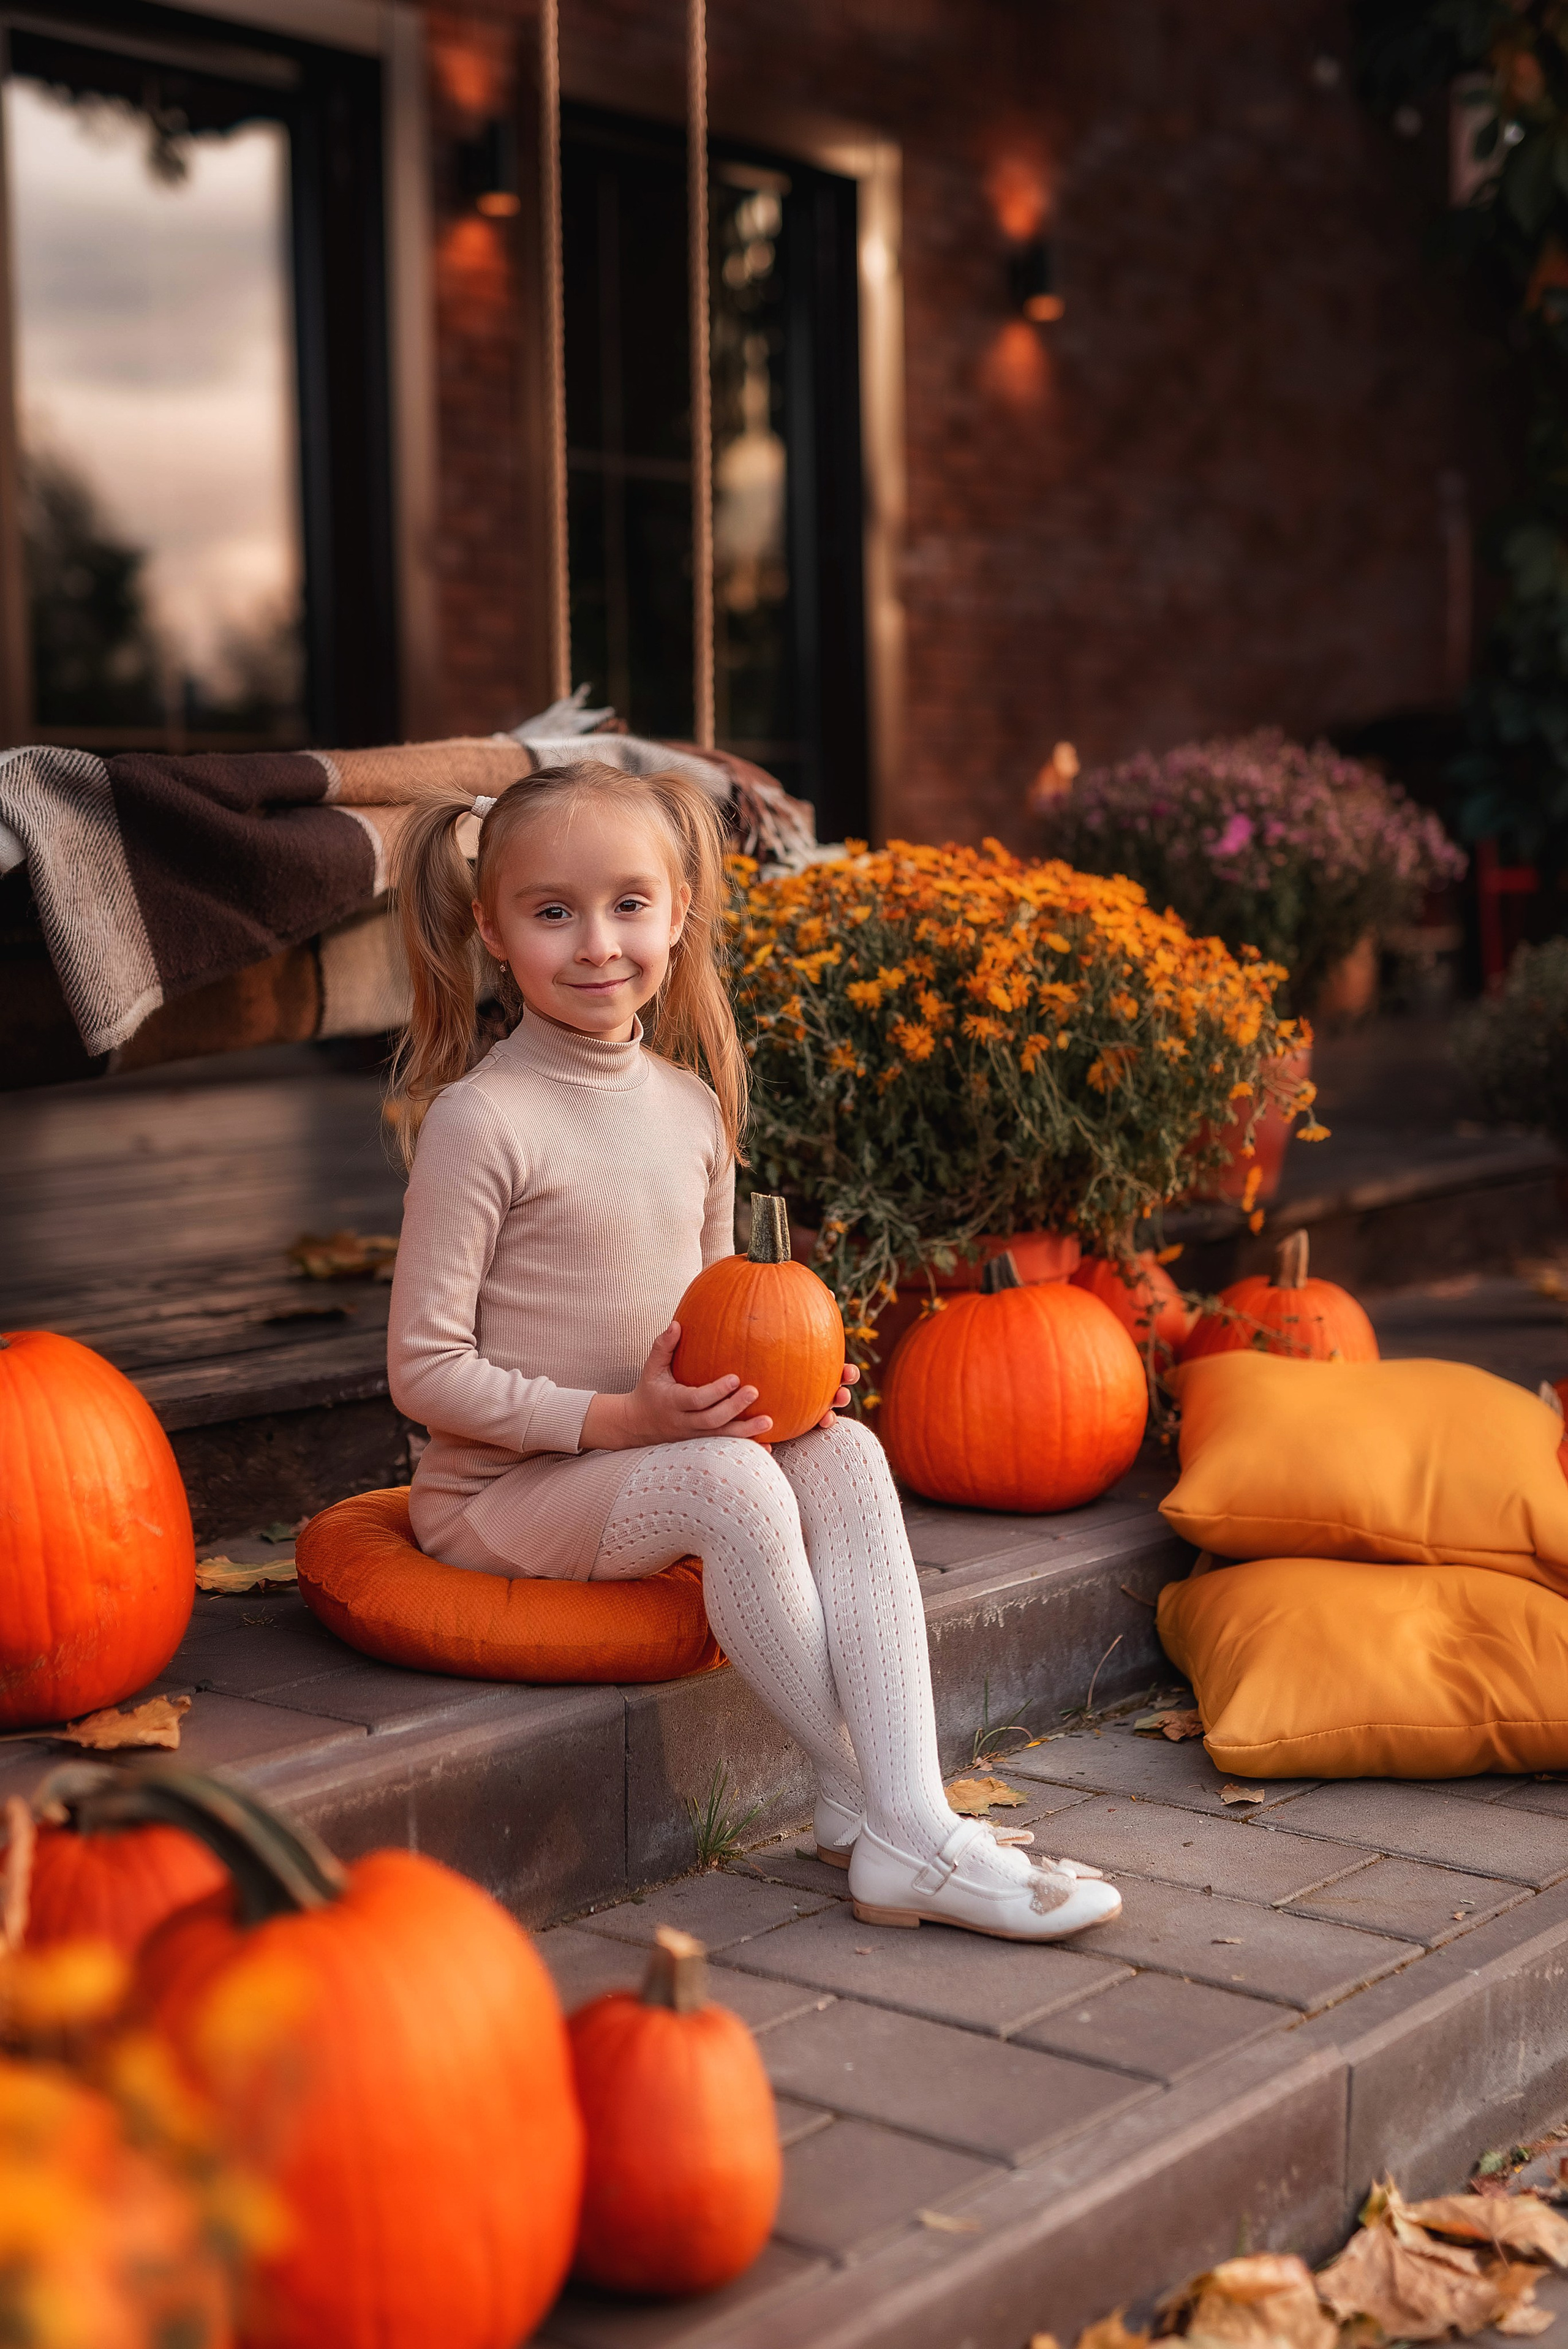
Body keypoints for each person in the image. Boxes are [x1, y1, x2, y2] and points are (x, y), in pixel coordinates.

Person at [385, 759, 1120, 1942]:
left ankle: (894, 1817)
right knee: (734, 1482)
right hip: (506, 1493)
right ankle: (894, 1818)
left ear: (679, 914)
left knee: (847, 1455)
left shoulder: (689, 1106)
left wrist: (779, 1389)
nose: (596, 943)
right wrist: (619, 1419)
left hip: (646, 1451)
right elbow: (422, 1372)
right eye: (552, 911)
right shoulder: (485, 1120)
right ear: (492, 929)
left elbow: (717, 1304)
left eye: (630, 903)